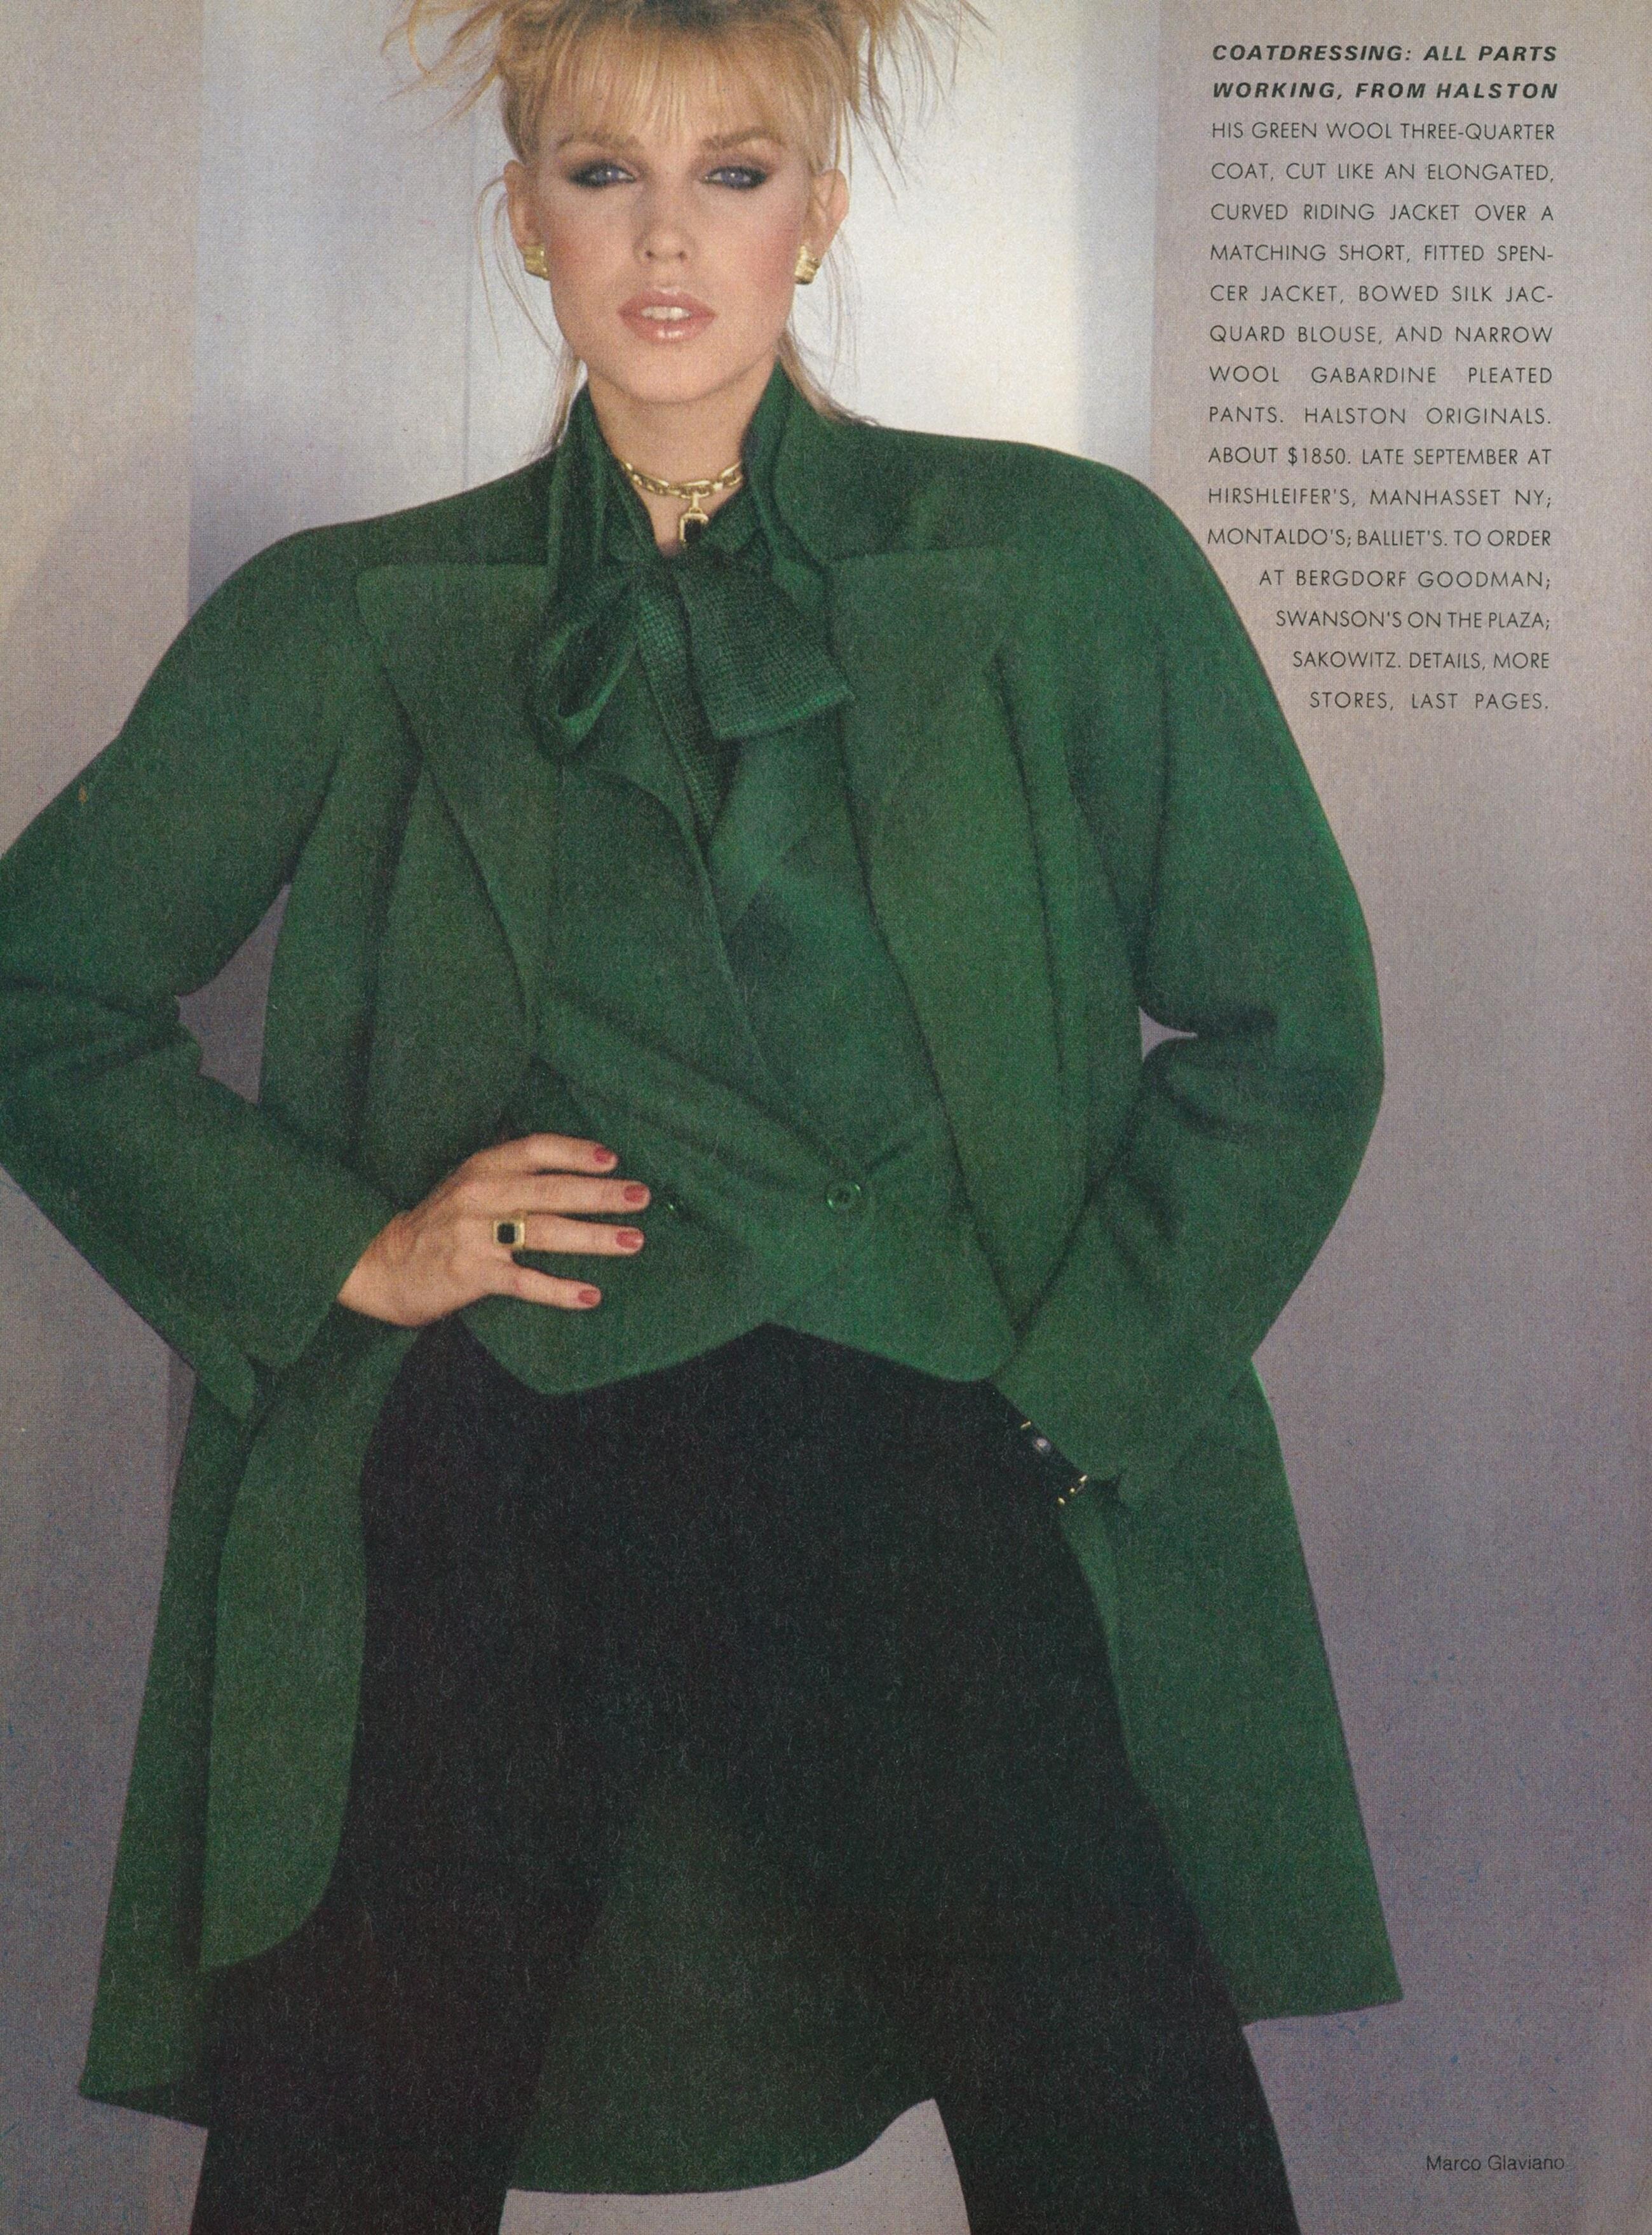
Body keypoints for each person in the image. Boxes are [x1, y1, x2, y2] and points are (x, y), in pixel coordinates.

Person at [0, 0, 1400, 2228]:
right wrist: (349, 1248)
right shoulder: (349, 615)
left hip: (930, 1461)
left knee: (1131, 2154)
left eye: (732, 175)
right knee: (349, 2157)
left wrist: (1068, 1406)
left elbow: (1292, 1028)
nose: (667, 239)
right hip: (497, 1467)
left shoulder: (1064, 565)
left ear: (815, 215)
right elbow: (37, 983)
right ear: (525, 216)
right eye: (603, 174)